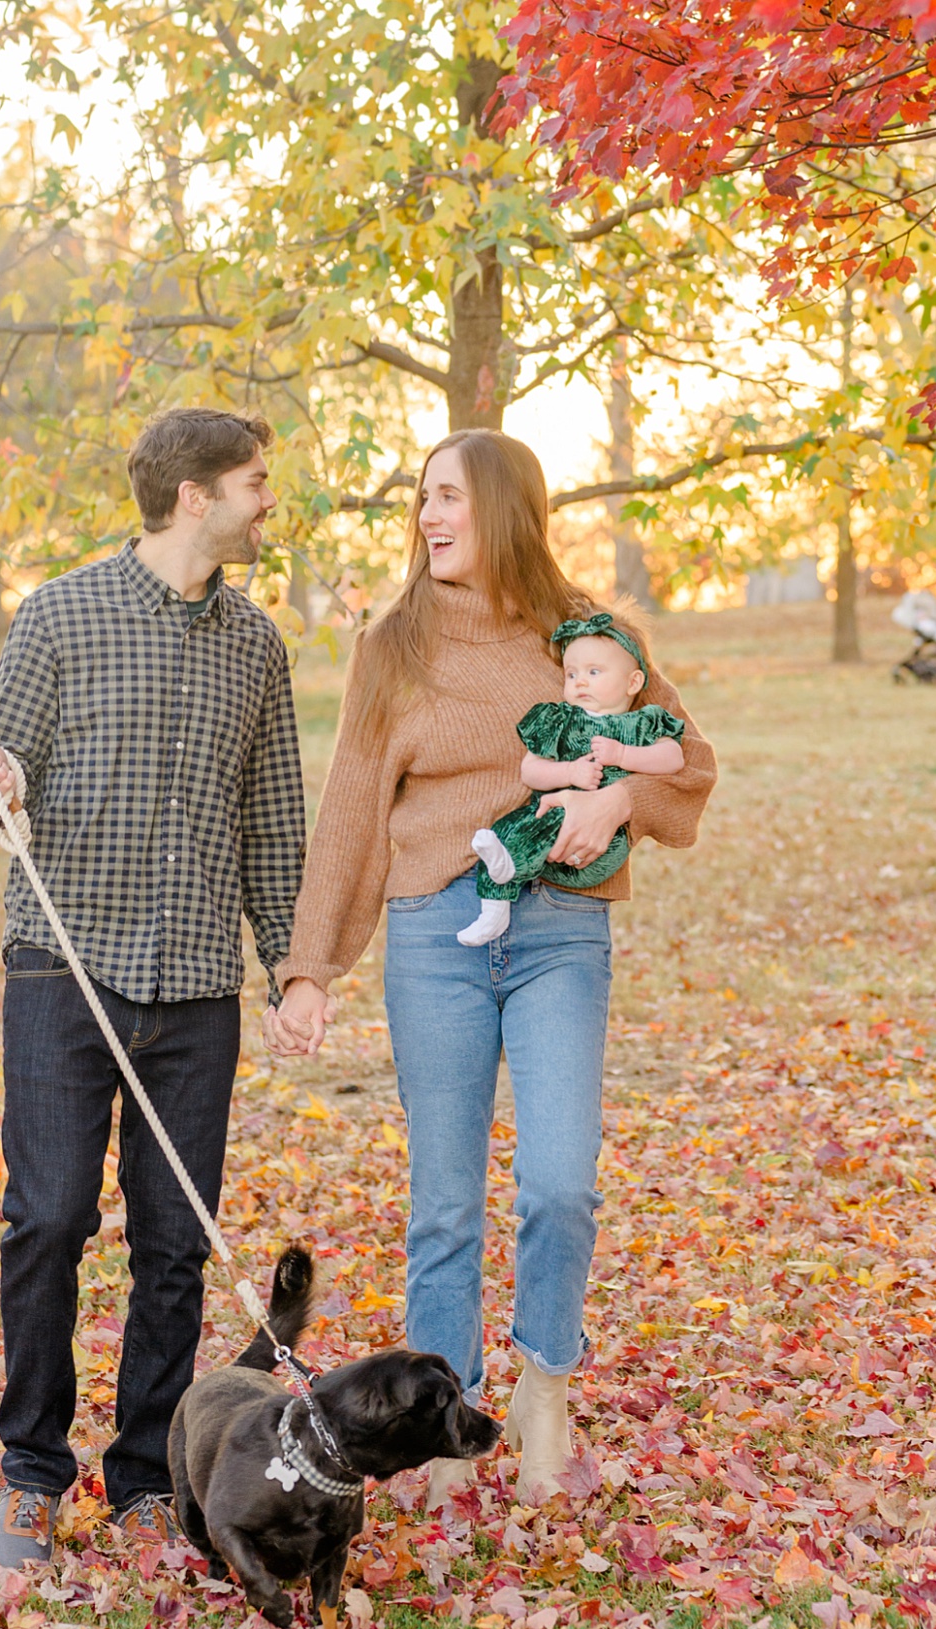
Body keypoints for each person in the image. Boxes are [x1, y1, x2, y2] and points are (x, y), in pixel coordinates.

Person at [269, 430, 716, 1504]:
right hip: (434, 932)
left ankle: (545, 1379)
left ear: (509, 509)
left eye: (453, 499)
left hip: (560, 929)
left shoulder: (586, 638)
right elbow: (350, 815)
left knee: (560, 1184)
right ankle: (442, 1414)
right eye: (424, 497)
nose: (430, 517)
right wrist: (310, 965)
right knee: (445, 1206)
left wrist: (618, 798)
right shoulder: (395, 644)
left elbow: (687, 764)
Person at [0, 406, 305, 1572]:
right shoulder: (59, 613)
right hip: (64, 967)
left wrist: (290, 966)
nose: (268, 499)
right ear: (196, 494)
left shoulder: (257, 646)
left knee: (174, 1243)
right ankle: (32, 1472)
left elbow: (273, 822)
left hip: (198, 983)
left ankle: (148, 1472)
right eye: (255, 480)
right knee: (47, 1218)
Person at [457, 614, 686, 946]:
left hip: (598, 846)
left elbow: (674, 758)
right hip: (548, 825)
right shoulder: (561, 720)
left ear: (633, 683)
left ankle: (510, 865)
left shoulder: (642, 723)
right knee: (512, 825)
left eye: (594, 673)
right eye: (571, 674)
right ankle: (494, 909)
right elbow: (530, 770)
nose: (580, 682)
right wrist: (569, 773)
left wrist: (623, 756)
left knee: (556, 818)